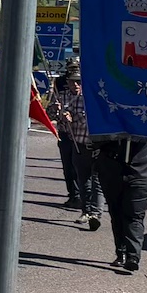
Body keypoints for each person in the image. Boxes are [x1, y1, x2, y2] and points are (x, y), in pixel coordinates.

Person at [91, 132, 147, 275]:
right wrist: (115, 135)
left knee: (134, 214)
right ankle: (121, 252)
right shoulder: (107, 120)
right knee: (116, 211)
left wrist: (131, 131)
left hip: (142, 170)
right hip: (111, 167)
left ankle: (133, 256)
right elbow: (95, 137)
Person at [50, 66, 103, 227]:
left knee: (97, 181)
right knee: (82, 179)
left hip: (95, 144)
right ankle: (85, 211)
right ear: (68, 82)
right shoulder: (62, 96)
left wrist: (73, 117)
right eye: (73, 82)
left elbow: (93, 119)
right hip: (76, 142)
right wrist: (56, 111)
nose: (76, 85)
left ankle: (95, 213)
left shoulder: (91, 97)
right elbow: (50, 115)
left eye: (79, 82)